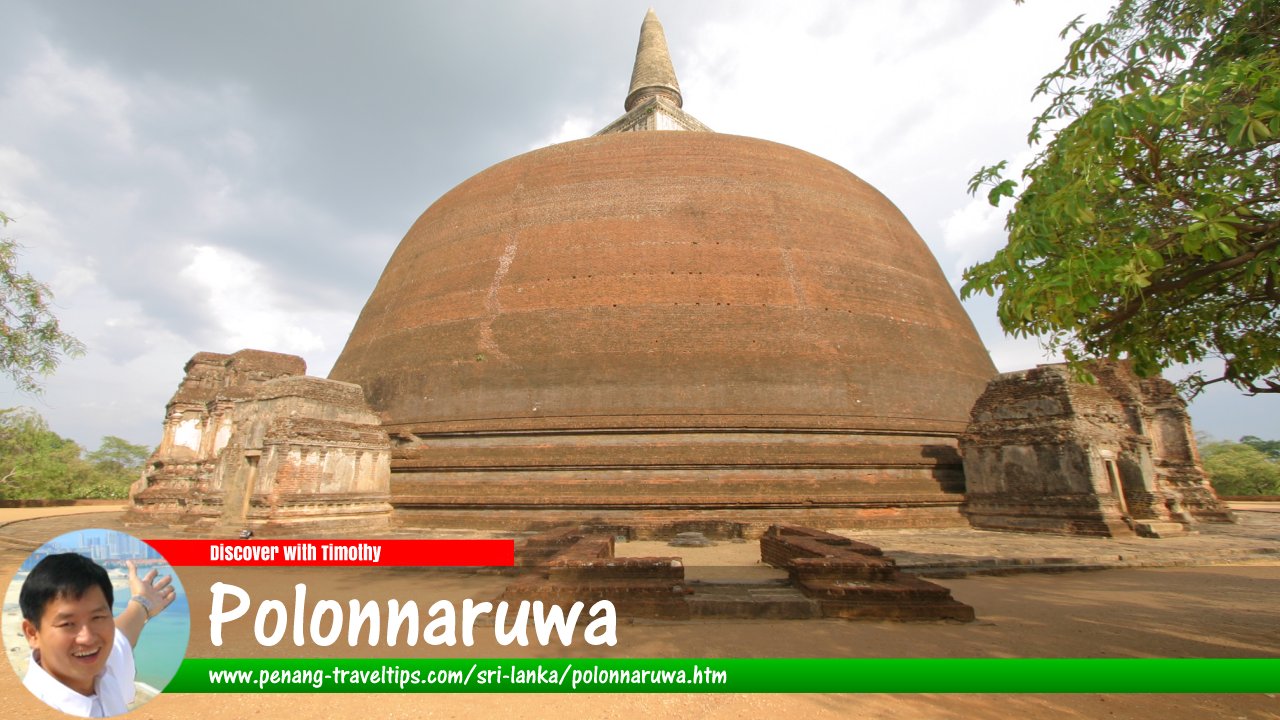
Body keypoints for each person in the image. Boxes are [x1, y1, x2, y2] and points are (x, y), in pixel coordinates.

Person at [19, 552, 177, 717]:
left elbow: (122, 635)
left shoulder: (103, 668)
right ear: (32, 634)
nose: (87, 638)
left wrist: (142, 602)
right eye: (67, 624)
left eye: (98, 617)